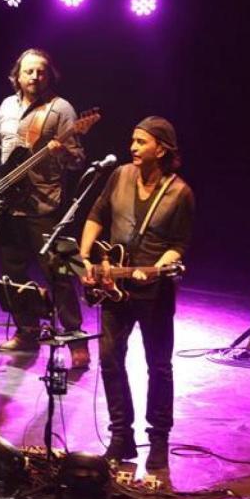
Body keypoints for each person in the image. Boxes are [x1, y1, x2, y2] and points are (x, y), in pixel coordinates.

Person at [79, 116, 195, 470]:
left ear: (161, 149)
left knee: (158, 366)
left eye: (141, 142)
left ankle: (158, 439)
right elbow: (96, 214)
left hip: (153, 292)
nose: (132, 147)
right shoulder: (120, 175)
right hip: (113, 285)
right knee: (111, 360)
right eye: (132, 140)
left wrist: (160, 265)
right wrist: (85, 259)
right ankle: (121, 437)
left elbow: (179, 246)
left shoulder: (181, 193)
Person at [0, 48, 90, 368]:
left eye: (41, 72)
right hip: (9, 206)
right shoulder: (7, 106)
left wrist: (61, 151)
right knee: (13, 274)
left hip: (48, 206)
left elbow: (79, 159)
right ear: (17, 76)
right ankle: (27, 332)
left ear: (49, 76)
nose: (35, 76)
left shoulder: (62, 109)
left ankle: (76, 338)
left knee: (64, 272)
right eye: (29, 71)